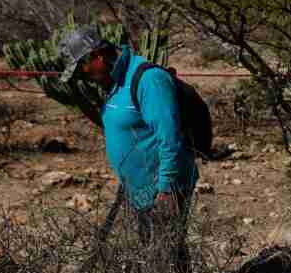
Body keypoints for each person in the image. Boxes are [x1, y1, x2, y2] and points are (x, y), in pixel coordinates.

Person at [58, 25, 199, 237]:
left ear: (97, 56)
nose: (82, 77)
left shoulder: (149, 80)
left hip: (164, 190)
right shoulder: (114, 82)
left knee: (165, 251)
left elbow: (169, 138)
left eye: (81, 70)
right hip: (141, 189)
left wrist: (167, 190)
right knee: (152, 249)